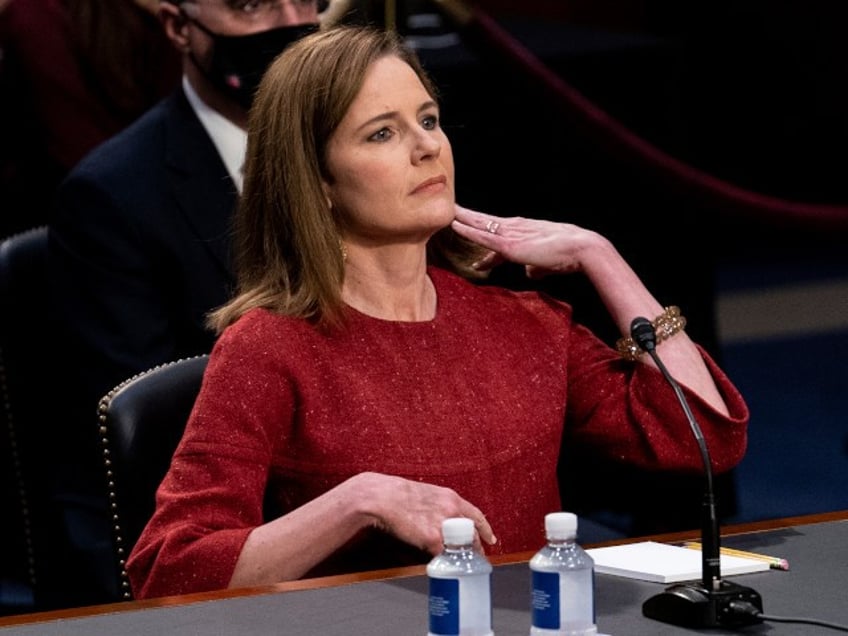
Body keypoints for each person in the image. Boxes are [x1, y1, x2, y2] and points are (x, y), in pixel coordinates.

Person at [125, 24, 750, 599]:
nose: (428, 147)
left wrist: (601, 256)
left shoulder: (522, 322)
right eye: (383, 132)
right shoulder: (270, 348)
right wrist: (358, 501)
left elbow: (702, 438)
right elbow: (171, 572)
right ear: (317, 180)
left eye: (429, 119)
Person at [42, 0, 325, 610]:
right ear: (179, 27)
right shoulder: (112, 197)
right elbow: (135, 439)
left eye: (308, 1)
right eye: (250, 6)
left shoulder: (368, 156)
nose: (289, 23)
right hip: (219, 535)